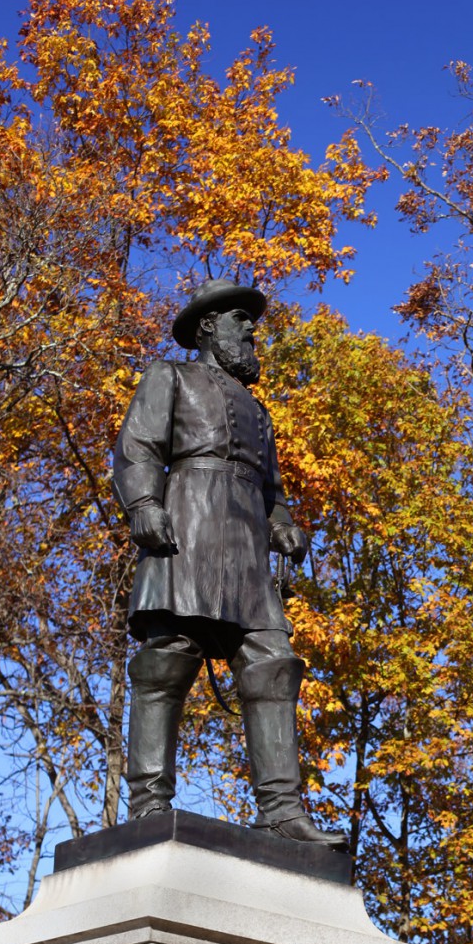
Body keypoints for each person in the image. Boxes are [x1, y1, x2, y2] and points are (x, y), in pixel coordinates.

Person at [113, 277, 347, 849]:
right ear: (208, 328)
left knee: (274, 662)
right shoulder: (171, 377)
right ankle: (148, 803)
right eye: (240, 319)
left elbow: (272, 488)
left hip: (245, 542)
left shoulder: (258, 411)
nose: (250, 329)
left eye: (250, 321)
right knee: (168, 658)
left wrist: (283, 525)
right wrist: (143, 502)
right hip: (187, 522)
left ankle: (281, 809)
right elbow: (139, 445)